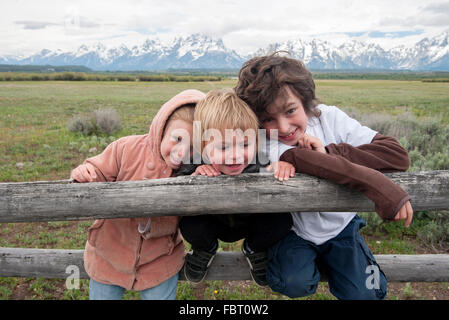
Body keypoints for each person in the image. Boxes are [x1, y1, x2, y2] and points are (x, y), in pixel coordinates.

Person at [235, 52, 413, 300]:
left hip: (342, 226)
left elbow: (396, 155)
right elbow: (302, 158)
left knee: (368, 292)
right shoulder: (264, 140)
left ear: (306, 101)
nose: (283, 127)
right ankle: (317, 264)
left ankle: (346, 265)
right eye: (268, 118)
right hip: (294, 230)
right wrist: (382, 188)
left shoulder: (328, 117)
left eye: (290, 110)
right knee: (292, 282)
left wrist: (332, 151)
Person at [70, 89, 205, 300]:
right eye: (177, 138)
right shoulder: (126, 148)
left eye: (194, 147)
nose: (181, 152)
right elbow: (99, 170)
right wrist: (86, 173)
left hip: (160, 259)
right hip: (108, 253)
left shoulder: (194, 170)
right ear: (161, 127)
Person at [179, 88, 293, 286]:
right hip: (213, 223)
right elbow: (179, 183)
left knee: (281, 221)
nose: (236, 155)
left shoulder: (258, 161)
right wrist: (195, 174)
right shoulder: (196, 162)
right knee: (190, 224)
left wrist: (280, 166)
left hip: (248, 221)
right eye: (223, 147)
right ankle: (205, 248)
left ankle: (254, 248)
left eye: (245, 145)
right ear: (202, 147)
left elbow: (271, 172)